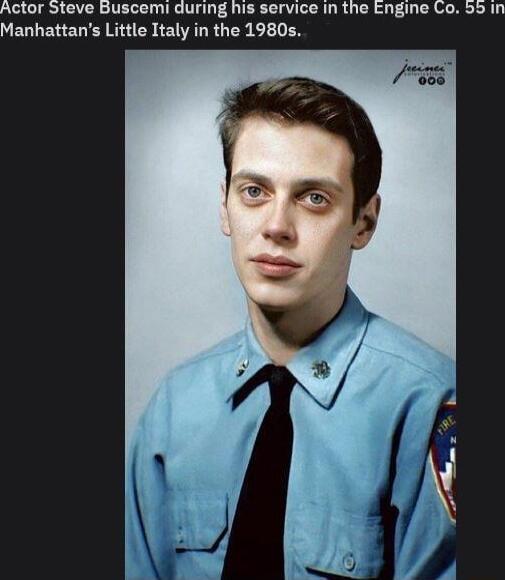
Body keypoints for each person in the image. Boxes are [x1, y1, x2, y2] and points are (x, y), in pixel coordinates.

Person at [125, 77, 456, 580]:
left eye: (314, 198)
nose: (276, 225)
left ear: (363, 222)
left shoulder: (428, 405)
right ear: (224, 206)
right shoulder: (173, 408)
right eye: (254, 191)